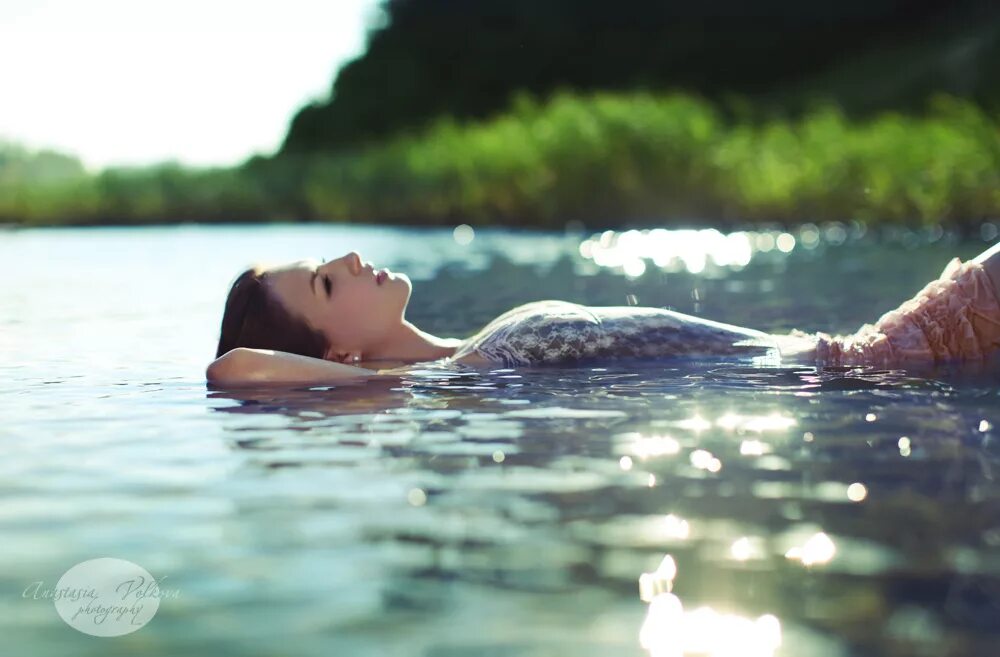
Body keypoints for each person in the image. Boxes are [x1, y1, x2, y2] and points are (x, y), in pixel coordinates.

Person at [206, 242, 1000, 386]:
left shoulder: (466, 356)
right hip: (887, 358)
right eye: (325, 286)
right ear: (335, 356)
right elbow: (234, 368)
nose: (348, 262)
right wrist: (358, 389)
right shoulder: (453, 378)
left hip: (874, 352)